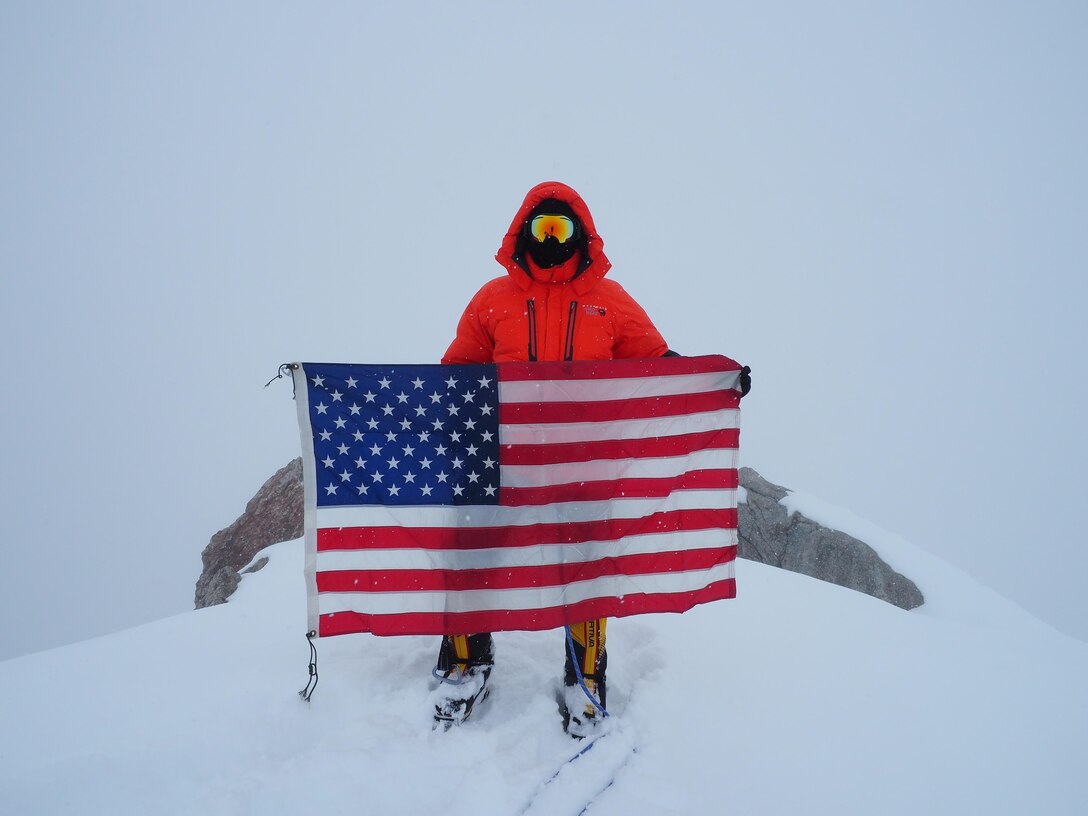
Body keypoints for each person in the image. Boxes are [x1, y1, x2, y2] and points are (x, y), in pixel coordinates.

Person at [435, 181, 726, 736]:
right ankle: (467, 662)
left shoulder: (609, 300)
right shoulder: (491, 299)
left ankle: (584, 674)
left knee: (586, 567)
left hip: (584, 465)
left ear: (580, 235)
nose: (550, 239)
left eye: (560, 228)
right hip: (505, 459)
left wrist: (711, 379)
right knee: (470, 547)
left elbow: (656, 361)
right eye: (541, 228)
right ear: (522, 232)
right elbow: (459, 370)